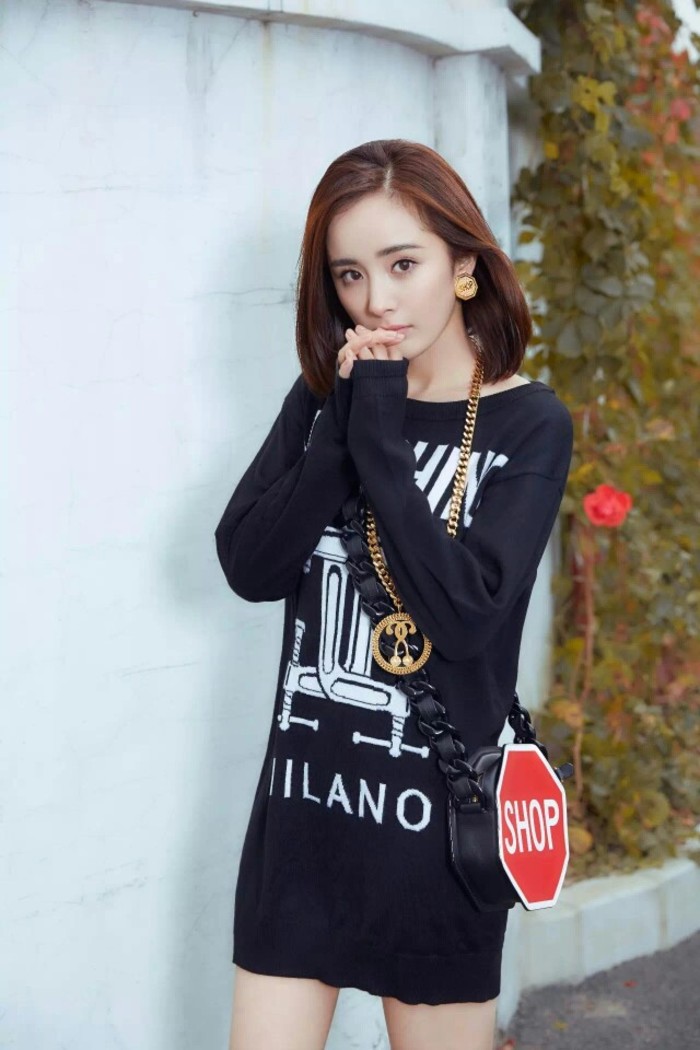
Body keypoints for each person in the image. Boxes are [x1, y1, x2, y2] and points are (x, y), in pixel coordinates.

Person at [214, 138, 573, 1050]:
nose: (375, 299)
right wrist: (345, 422)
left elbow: (465, 615)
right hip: (303, 825)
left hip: (439, 838)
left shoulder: (528, 423)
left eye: (402, 264)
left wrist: (375, 435)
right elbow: (250, 566)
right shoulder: (321, 399)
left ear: (462, 266)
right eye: (350, 274)